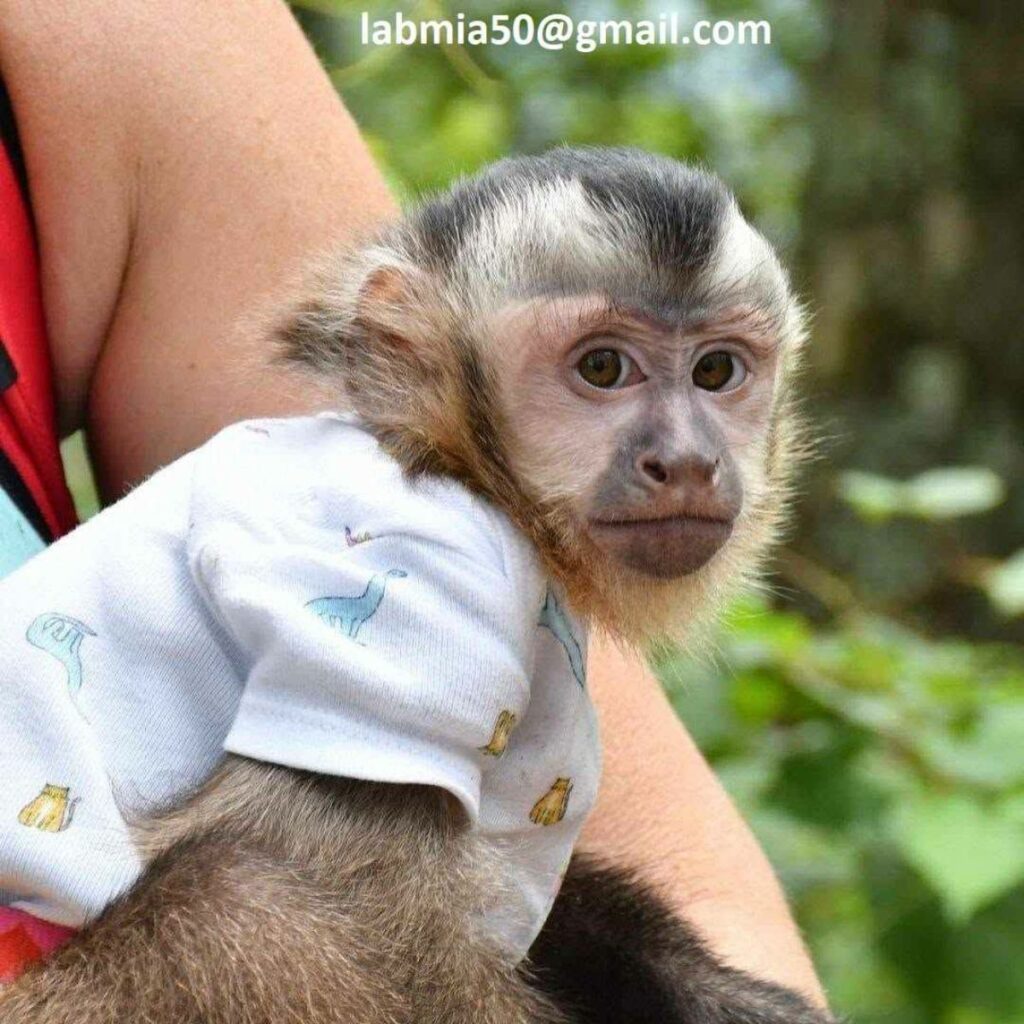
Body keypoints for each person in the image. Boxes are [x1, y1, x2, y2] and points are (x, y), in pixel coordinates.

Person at [0, 0, 825, 1004]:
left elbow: (463, 878)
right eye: (602, 367)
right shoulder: (404, 545)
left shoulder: (477, 568)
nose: (683, 456)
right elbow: (371, 933)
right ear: (407, 349)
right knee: (259, 916)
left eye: (721, 372)